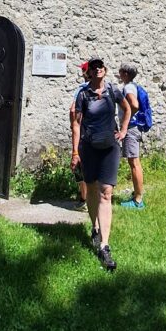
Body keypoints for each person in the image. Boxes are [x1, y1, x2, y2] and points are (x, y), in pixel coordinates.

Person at [71, 57, 131, 271]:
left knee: (106, 192)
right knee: (93, 189)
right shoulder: (83, 95)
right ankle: (95, 226)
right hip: (89, 147)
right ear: (89, 73)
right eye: (94, 67)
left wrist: (123, 131)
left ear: (105, 71)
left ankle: (104, 246)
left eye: (101, 67)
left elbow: (127, 108)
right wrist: (75, 152)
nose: (98, 69)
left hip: (110, 147)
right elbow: (76, 124)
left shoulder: (113, 91)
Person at [118, 63, 145, 209]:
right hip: (134, 128)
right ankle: (137, 195)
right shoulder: (132, 86)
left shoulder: (128, 87)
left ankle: (138, 201)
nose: (119, 73)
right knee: (134, 162)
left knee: (134, 163)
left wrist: (126, 121)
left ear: (126, 74)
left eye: (121, 72)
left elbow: (134, 105)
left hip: (131, 129)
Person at [69, 62, 89, 209]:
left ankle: (84, 200)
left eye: (82, 71)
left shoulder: (82, 90)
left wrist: (74, 124)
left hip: (82, 135)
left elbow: (73, 110)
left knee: (81, 168)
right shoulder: (104, 89)